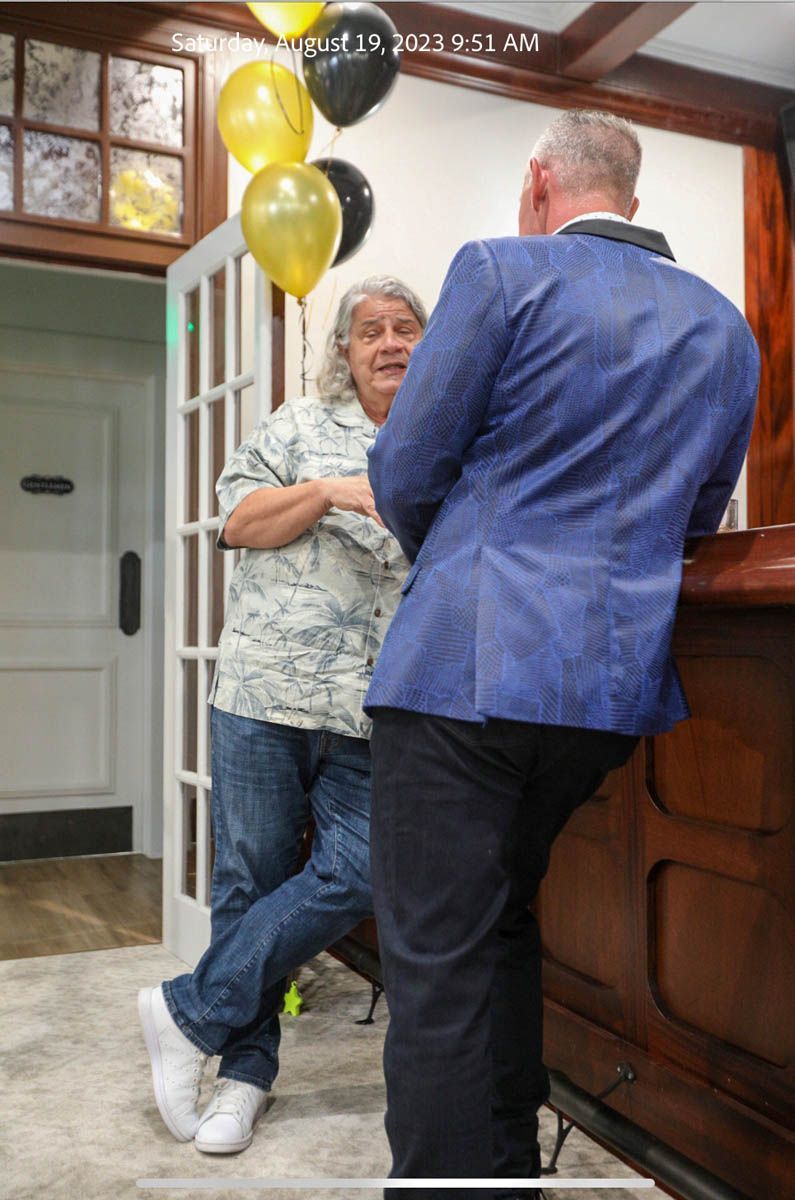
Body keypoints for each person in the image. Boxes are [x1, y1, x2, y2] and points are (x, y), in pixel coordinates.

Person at [365, 110, 760, 1198]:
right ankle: (502, 1172)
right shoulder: (728, 329)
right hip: (603, 697)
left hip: (462, 672)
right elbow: (697, 520)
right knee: (500, 930)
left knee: (438, 967)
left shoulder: (502, 271)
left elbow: (404, 471)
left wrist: (463, 566)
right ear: (629, 201)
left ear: (540, 182)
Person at [139, 276, 426, 1155]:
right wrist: (334, 489)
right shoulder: (296, 425)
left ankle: (187, 1011)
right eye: (369, 330)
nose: (388, 343)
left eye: (404, 328)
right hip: (266, 692)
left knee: (365, 871)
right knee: (249, 882)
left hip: (374, 705)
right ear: (342, 350)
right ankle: (244, 1079)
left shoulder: (446, 441)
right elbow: (238, 521)